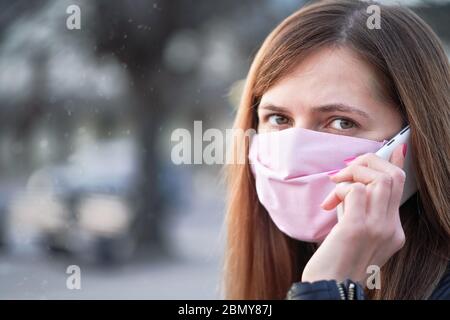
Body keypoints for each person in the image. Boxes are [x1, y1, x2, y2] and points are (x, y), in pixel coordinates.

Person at [223, 0, 450, 299]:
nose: (294, 154)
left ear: (411, 143)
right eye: (279, 119)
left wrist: (328, 286)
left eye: (341, 122)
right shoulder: (270, 269)